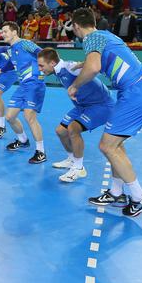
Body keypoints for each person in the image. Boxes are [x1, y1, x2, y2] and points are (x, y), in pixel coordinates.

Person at [68, 8, 142, 216]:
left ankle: (140, 197)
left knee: (106, 146)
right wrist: (81, 64)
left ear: (75, 26)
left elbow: (93, 68)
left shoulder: (91, 38)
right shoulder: (105, 35)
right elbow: (100, 62)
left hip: (137, 92)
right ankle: (117, 193)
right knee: (115, 144)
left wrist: (75, 85)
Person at [37, 48, 115, 183]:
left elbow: (94, 66)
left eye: (41, 65)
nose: (40, 69)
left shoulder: (70, 68)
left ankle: (79, 169)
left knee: (73, 128)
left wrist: (84, 63)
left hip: (101, 105)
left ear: (52, 63)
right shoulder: (58, 71)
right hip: (82, 106)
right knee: (61, 131)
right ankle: (72, 160)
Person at [0, 22, 47, 164]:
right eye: (1, 32)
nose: (2, 34)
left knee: (29, 117)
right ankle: (23, 140)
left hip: (34, 83)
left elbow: (45, 54)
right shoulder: (11, 49)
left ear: (15, 32)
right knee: (10, 117)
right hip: (22, 85)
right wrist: (2, 70)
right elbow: (11, 63)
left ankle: (41, 152)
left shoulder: (26, 44)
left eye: (5, 31)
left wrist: (44, 71)